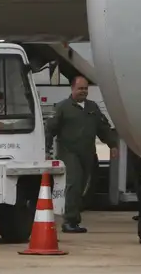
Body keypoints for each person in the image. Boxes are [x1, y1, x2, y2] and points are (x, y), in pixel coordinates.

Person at [45, 75, 117, 234]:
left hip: (88, 153)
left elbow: (103, 128)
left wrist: (112, 145)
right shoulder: (62, 107)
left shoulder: (92, 108)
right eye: (80, 89)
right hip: (69, 153)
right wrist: (47, 151)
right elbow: (50, 129)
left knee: (85, 186)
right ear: (72, 89)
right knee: (74, 183)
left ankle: (74, 216)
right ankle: (70, 221)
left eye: (85, 89)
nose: (83, 91)